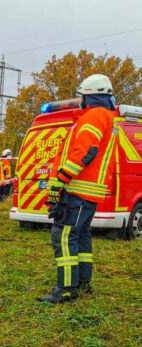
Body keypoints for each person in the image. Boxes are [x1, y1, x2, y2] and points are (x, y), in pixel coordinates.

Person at [40, 74, 117, 304]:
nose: (80, 100)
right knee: (81, 236)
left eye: (82, 96)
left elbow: (85, 152)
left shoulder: (93, 117)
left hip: (78, 189)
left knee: (64, 236)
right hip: (88, 191)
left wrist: (61, 178)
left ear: (90, 96)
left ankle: (66, 289)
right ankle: (83, 283)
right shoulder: (105, 117)